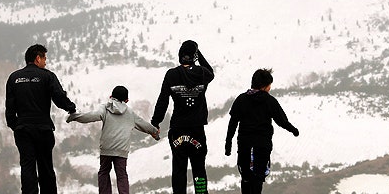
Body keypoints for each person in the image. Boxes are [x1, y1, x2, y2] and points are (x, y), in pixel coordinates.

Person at [5, 44, 77, 194]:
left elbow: (10, 107)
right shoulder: (47, 76)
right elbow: (59, 97)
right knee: (45, 167)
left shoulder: (14, 78)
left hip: (23, 129)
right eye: (45, 58)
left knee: (27, 167)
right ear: (38, 58)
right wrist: (71, 108)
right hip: (43, 129)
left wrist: (16, 125)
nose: (46, 62)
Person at [66, 85, 160, 194]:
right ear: (126, 100)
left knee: (104, 172)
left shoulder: (104, 108)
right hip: (122, 150)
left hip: (107, 148)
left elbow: (90, 116)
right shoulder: (130, 113)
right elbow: (144, 125)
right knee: (122, 175)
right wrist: (154, 132)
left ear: (111, 96)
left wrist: (75, 116)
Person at [151, 40, 214, 194]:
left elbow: (163, 100)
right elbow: (211, 72)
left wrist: (155, 122)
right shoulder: (201, 73)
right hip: (197, 129)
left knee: (179, 169)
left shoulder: (171, 74)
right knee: (199, 169)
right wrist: (198, 56)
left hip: (178, 129)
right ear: (195, 56)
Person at [224, 68, 300, 194]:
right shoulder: (270, 101)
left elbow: (233, 123)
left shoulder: (241, 99)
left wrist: (228, 143)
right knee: (258, 180)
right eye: (269, 85)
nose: (270, 88)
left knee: (246, 179)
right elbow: (282, 121)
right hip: (262, 146)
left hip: (244, 146)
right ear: (265, 86)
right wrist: (293, 130)